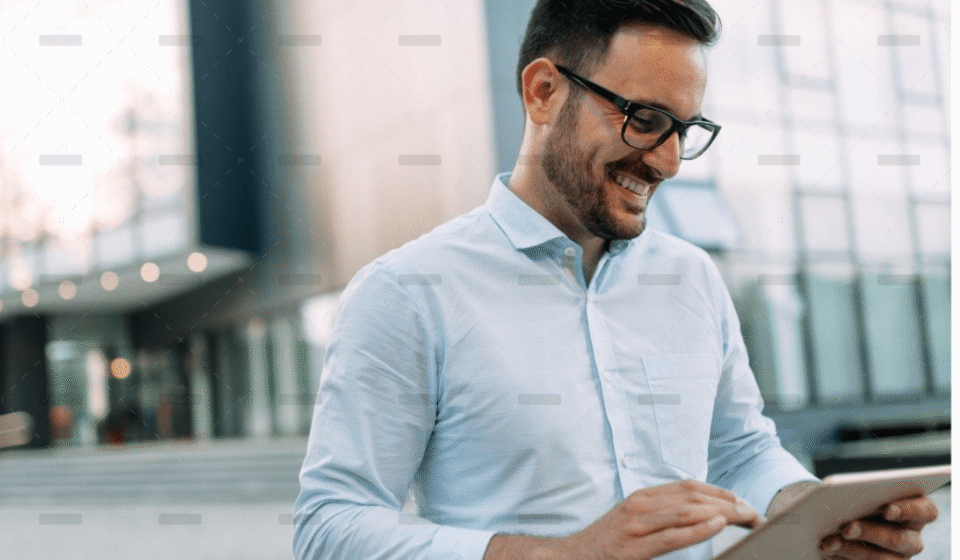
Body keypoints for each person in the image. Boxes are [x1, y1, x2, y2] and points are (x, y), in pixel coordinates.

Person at [293, 1, 939, 559]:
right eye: (645, 119)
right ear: (543, 90)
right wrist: (564, 555)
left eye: (685, 131)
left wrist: (824, 516)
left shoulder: (692, 279)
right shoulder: (408, 292)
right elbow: (329, 528)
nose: (668, 162)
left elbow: (738, 450)